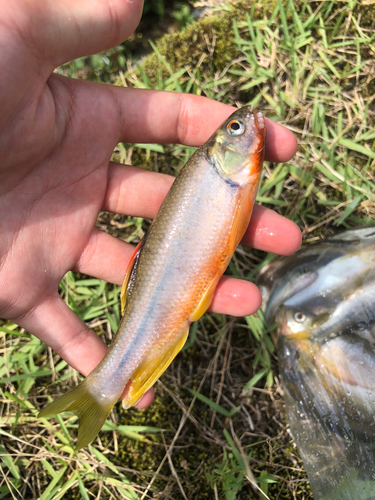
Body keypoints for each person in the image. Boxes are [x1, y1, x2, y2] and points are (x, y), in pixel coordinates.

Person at [0, 0, 301, 408]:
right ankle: (105, 387)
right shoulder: (222, 174)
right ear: (220, 150)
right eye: (235, 128)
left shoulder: (230, 175)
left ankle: (107, 385)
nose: (245, 125)